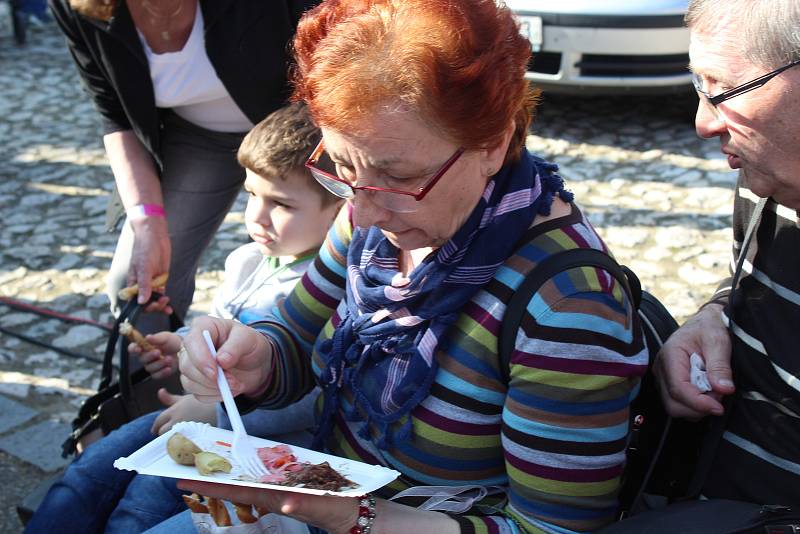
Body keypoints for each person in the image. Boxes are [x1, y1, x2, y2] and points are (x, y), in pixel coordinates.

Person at [163, 1, 649, 533]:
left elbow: (552, 530)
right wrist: (258, 359)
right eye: (343, 167)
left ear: (494, 143)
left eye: (401, 178)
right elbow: (297, 338)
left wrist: (357, 518)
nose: (365, 210)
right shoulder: (370, 214)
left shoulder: (565, 305)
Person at [24, 103, 342, 534]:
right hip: (193, 417)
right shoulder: (247, 260)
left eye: (281, 204)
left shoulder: (330, 293)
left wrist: (213, 414)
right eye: (251, 194)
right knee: (88, 473)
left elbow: (312, 397)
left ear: (342, 212)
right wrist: (184, 349)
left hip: (257, 443)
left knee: (140, 508)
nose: (256, 217)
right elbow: (218, 331)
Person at [49, 0, 318, 334]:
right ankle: (157, 378)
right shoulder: (76, 6)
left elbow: (338, 53)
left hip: (303, 127)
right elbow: (115, 115)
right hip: (199, 139)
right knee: (139, 281)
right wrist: (147, 222)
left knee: (318, 271)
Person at [655, 0, 800, 506]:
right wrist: (714, 317)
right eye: (700, 87)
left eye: (722, 92)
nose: (703, 123)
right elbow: (752, 287)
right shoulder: (768, 177)